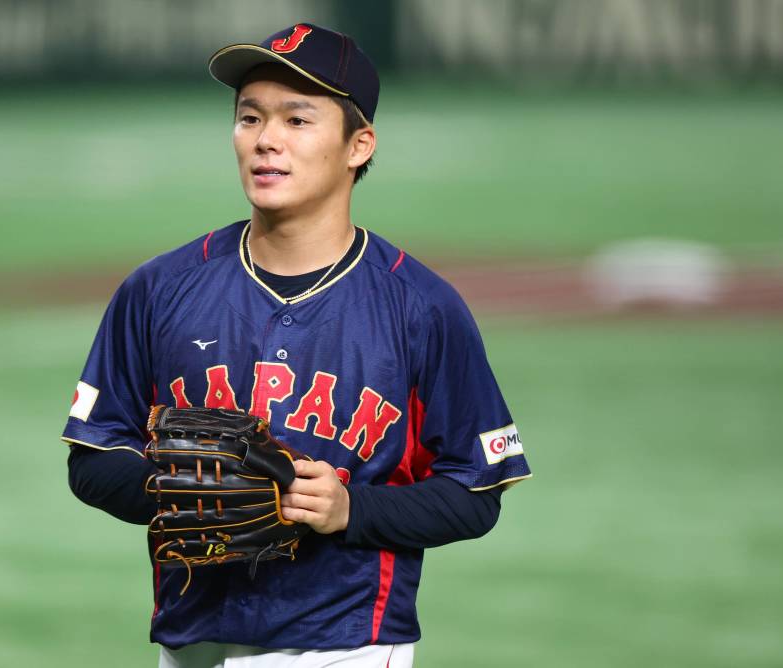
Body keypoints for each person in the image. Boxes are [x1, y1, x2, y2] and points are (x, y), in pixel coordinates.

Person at [62, 23, 531, 668]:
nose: (266, 140)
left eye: (297, 119)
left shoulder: (421, 308)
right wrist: (188, 489)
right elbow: (90, 458)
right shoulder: (159, 289)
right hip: (191, 638)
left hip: (343, 644)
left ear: (358, 145)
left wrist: (350, 509)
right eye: (249, 116)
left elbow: (476, 492)